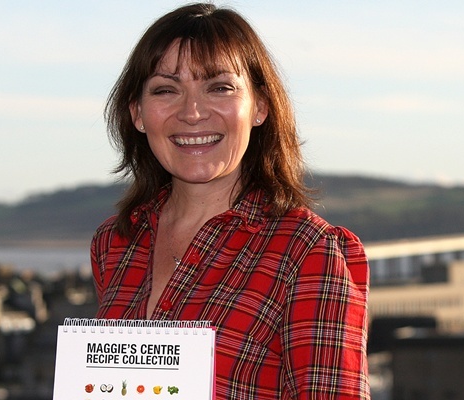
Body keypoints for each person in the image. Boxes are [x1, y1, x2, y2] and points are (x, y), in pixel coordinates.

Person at [91, 3, 370, 399]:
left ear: (259, 106)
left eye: (219, 87)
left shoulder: (307, 251)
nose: (192, 112)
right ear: (137, 113)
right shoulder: (115, 243)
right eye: (166, 90)